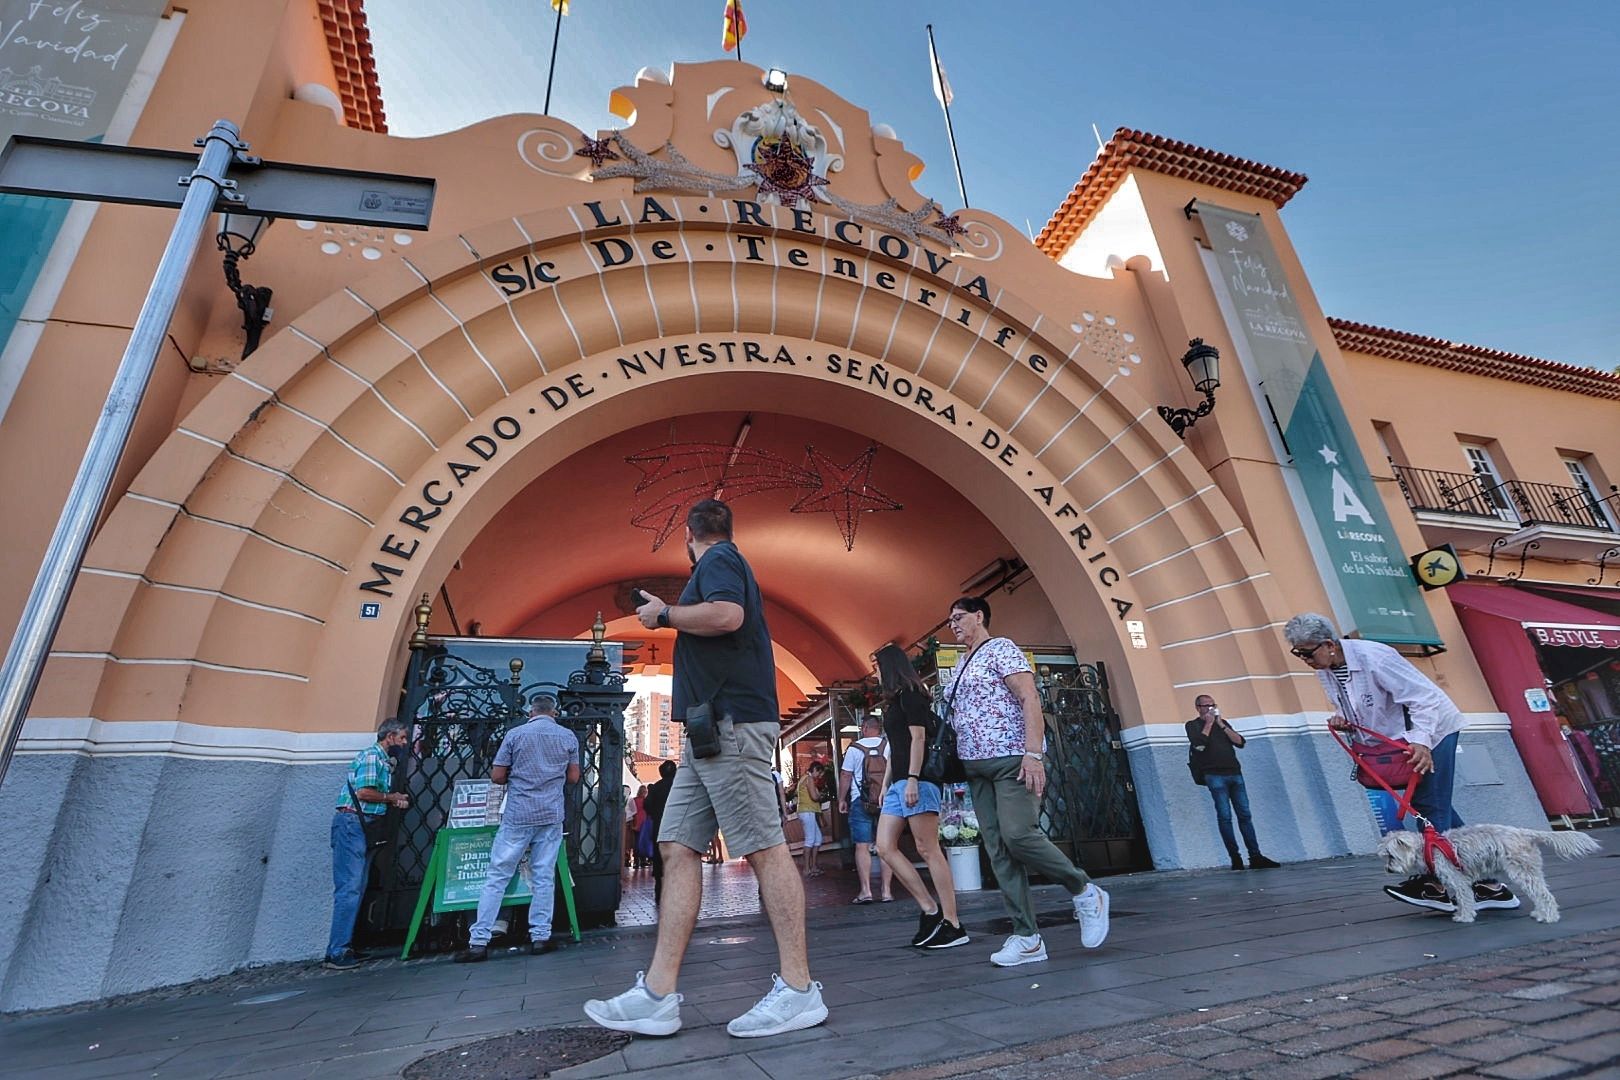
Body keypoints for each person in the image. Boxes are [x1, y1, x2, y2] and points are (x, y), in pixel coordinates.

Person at [585, 498, 826, 1039]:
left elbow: (727, 615)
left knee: (763, 847)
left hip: (732, 723)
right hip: (706, 733)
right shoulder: (721, 559)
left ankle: (799, 989)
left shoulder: (719, 559)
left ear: (690, 535)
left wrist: (662, 615)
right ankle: (657, 994)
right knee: (675, 846)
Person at [1284, 612, 1518, 914]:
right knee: (1436, 806)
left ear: (1329, 644)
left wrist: (1420, 741)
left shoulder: (1375, 657)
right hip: (1402, 738)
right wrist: (1347, 723)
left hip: (1434, 730)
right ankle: (1488, 884)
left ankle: (1438, 885)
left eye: (1306, 652)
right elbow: (1365, 709)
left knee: (1430, 806)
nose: (1303, 659)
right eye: (1297, 653)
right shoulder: (1327, 668)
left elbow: (1423, 699)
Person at [944, 596, 1110, 967]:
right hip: (975, 767)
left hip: (1011, 760)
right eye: (949, 620)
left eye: (959, 617)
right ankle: (1027, 937)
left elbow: (1029, 697)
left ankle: (1084, 889)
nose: (953, 624)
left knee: (1019, 835)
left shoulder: (1000, 648)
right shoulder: (961, 662)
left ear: (979, 616)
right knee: (999, 850)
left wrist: (1033, 754)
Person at [454, 694, 581, 962]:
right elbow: (573, 777)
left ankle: (479, 941)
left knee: (497, 875)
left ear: (530, 712)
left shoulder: (515, 735)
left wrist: (520, 777)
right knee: (543, 876)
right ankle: (540, 936)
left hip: (518, 814)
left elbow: (498, 776)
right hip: (550, 814)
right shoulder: (568, 737)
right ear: (554, 712)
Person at [871, 643, 967, 948]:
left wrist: (912, 778)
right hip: (899, 782)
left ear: (889, 666)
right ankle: (930, 909)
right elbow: (895, 746)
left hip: (920, 780)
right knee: (884, 847)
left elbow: (918, 738)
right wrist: (888, 782)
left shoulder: (912, 694)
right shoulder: (892, 701)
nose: (873, 672)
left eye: (876, 666)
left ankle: (953, 923)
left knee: (928, 849)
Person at [326, 718, 411, 970]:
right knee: (350, 887)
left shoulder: (382, 759)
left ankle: (347, 944)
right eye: (403, 738)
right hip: (353, 824)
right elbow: (364, 792)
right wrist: (391, 797)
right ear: (390, 736)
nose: (405, 744)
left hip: (362, 826)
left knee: (358, 886)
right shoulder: (373, 757)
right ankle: (337, 950)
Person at [1185, 695, 1281, 870]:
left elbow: (1240, 742)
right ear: (1198, 708)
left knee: (1245, 815)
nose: (1210, 709)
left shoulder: (1224, 724)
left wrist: (1220, 724)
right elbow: (1199, 745)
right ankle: (1235, 858)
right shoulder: (1192, 725)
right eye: (1206, 706)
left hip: (1234, 773)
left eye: (1213, 705)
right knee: (1225, 817)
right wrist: (1208, 724)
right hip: (1214, 775)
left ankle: (1255, 856)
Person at [838, 715, 895, 903]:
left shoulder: (854, 749)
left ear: (864, 728)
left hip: (860, 801)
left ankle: (866, 891)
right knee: (886, 846)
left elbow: (846, 776)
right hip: (886, 801)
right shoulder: (888, 745)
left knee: (862, 846)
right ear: (879, 728)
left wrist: (841, 799)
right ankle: (886, 891)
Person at [644, 760, 677, 904]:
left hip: (660, 828)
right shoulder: (680, 787)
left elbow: (647, 805)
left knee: (659, 859)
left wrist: (655, 814)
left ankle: (659, 891)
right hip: (678, 829)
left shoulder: (655, 787)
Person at [795, 761, 828, 877]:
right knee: (810, 839)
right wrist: (820, 796)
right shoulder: (808, 779)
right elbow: (814, 797)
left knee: (817, 839)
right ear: (816, 770)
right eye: (819, 773)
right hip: (807, 811)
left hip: (808, 811)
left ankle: (813, 867)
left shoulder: (805, 779)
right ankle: (807, 868)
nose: (819, 776)